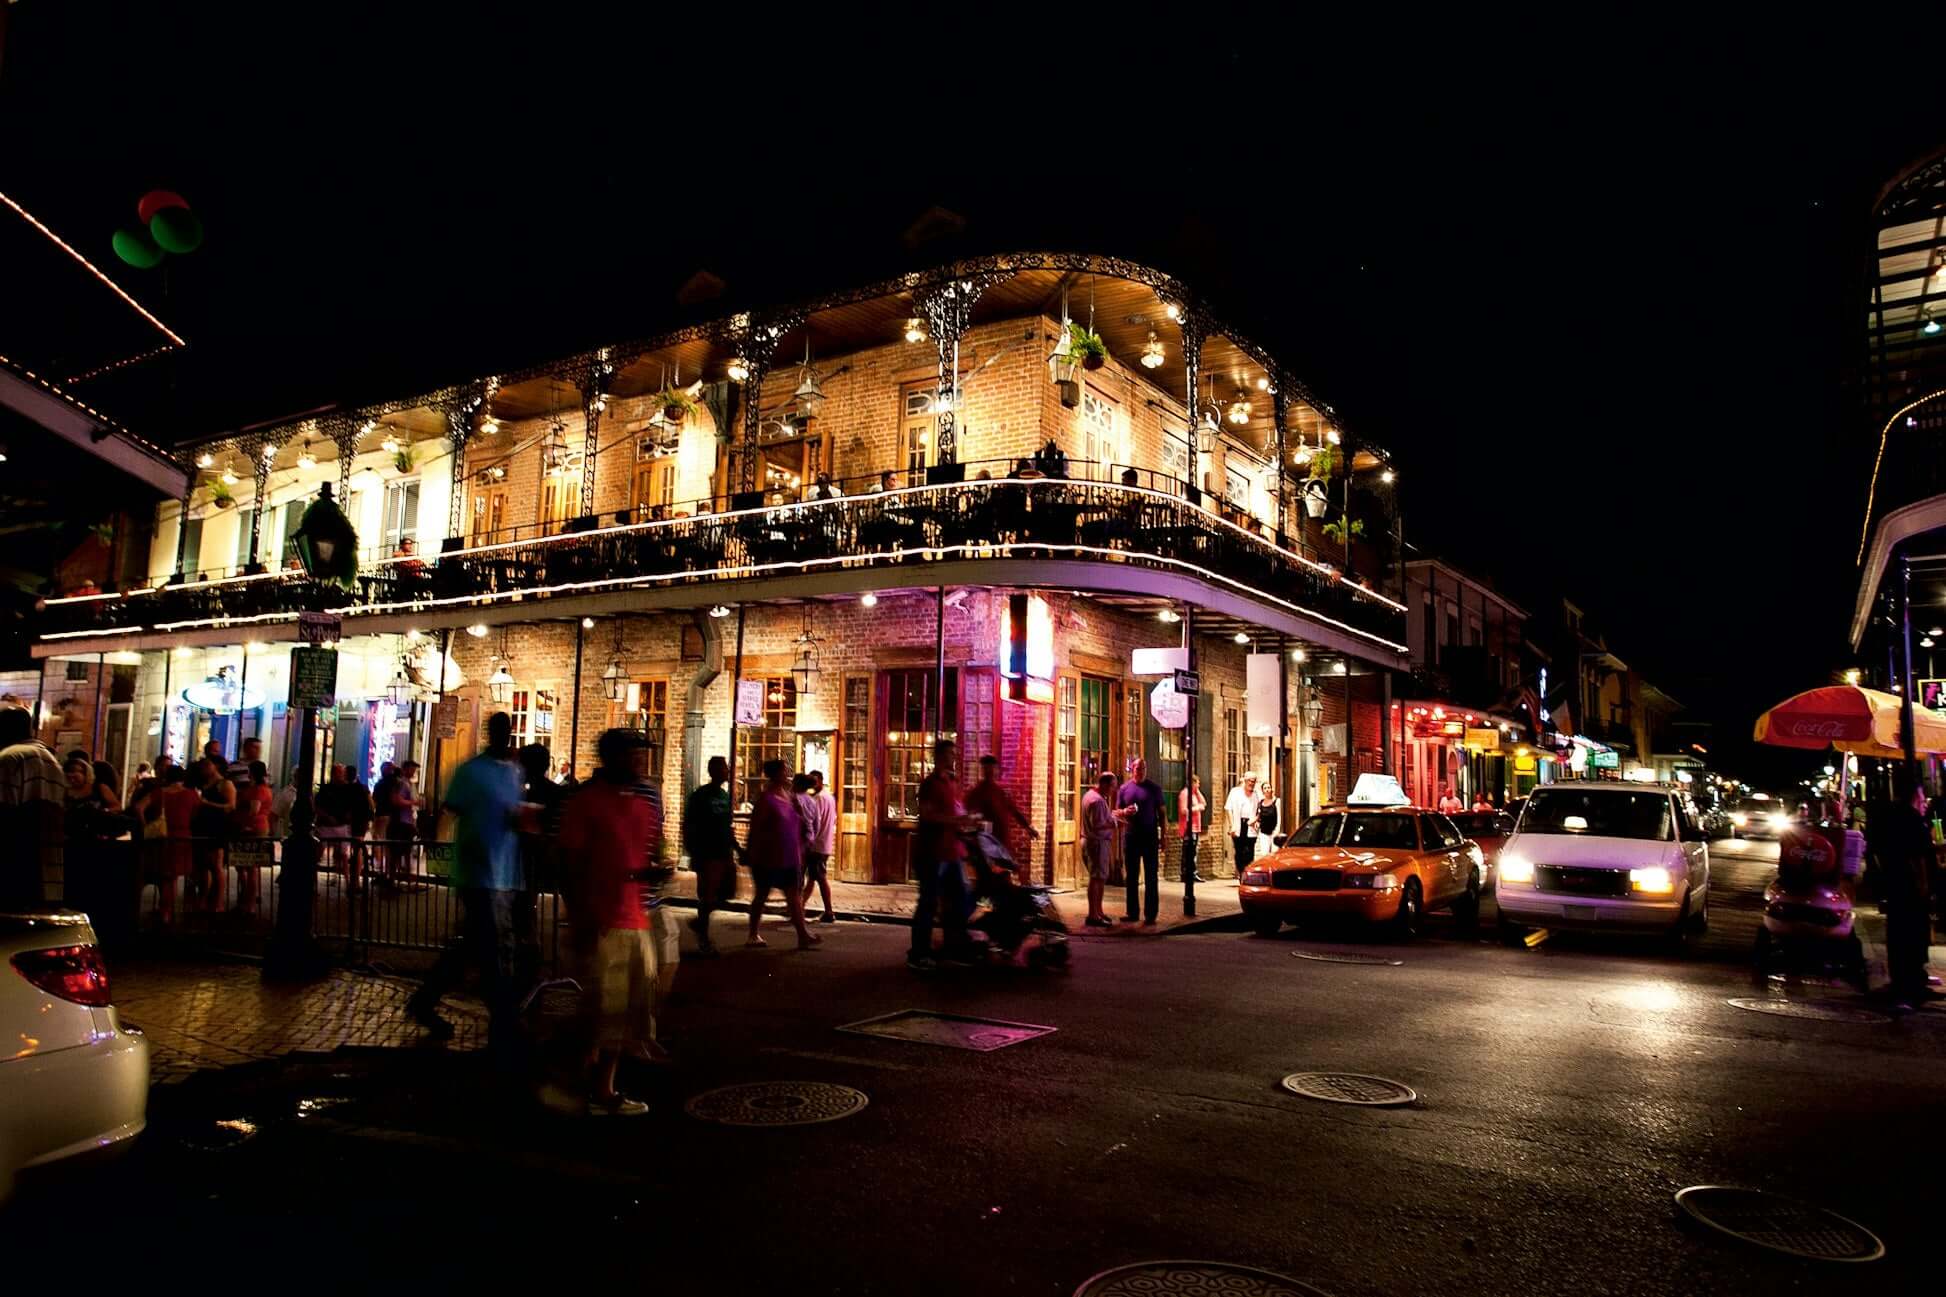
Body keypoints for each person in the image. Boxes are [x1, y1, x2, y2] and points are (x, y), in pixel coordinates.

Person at [408, 712, 526, 1065]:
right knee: (495, 950)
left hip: (506, 871)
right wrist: (438, 856)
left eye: (509, 730)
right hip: (479, 873)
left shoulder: (515, 772)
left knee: (473, 946)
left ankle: (424, 1002)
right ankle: (503, 1026)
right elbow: (450, 813)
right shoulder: (470, 771)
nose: (506, 735)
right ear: (493, 732)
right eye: (501, 730)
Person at [559, 728, 665, 1116]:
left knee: (626, 1011)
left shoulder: (644, 804)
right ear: (612, 757)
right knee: (604, 1009)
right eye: (634, 754)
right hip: (602, 918)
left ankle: (596, 1082)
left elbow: (643, 858)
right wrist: (581, 915)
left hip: (636, 916)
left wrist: (651, 874)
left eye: (643, 754)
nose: (641, 762)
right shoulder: (586, 802)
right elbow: (569, 864)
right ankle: (597, 1090)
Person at [1876, 775, 1941, 1011]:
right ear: (1916, 795)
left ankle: (1910, 984)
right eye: (1923, 796)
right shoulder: (1912, 820)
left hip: (1897, 887)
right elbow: (1918, 858)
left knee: (1903, 937)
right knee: (1911, 938)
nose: (1925, 801)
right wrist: (1924, 888)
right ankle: (1908, 988)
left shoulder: (1891, 816)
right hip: (1909, 890)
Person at [910, 739, 975, 971]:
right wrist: (956, 820)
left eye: (954, 753)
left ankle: (953, 945)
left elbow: (956, 810)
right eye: (949, 754)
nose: (953, 757)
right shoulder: (930, 784)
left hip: (953, 851)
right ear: (938, 756)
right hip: (933, 852)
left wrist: (967, 822)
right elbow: (927, 815)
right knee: (928, 902)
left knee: (961, 898)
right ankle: (919, 952)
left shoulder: (953, 782)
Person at [746, 759, 818, 950]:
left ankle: (803, 935)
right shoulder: (766, 798)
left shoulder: (788, 796)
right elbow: (757, 828)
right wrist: (752, 852)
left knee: (793, 896)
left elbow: (799, 822)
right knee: (761, 895)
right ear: (774, 774)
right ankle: (753, 934)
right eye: (783, 771)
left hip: (789, 855)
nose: (787, 775)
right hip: (769, 857)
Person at [682, 756, 741, 956]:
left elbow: (727, 826)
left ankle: (699, 922)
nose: (727, 772)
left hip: (724, 852)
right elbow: (689, 824)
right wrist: (693, 851)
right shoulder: (700, 796)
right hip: (707, 852)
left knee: (726, 893)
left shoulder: (725, 796)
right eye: (723, 768)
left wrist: (737, 849)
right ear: (714, 771)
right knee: (708, 894)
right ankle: (704, 938)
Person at [966, 755, 1039, 880]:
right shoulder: (977, 792)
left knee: (1001, 879)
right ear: (983, 770)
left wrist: (1028, 827)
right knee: (992, 880)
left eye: (992, 768)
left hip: (1001, 842)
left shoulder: (1000, 791)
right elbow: (966, 813)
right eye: (987, 768)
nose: (990, 771)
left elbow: (1014, 810)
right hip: (987, 845)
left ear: (996, 769)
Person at [1117, 757, 1166, 925]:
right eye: (1138, 769)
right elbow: (1117, 813)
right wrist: (1125, 812)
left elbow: (1162, 814)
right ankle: (1132, 912)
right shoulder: (1124, 789)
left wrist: (1163, 837)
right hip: (1131, 836)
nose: (1140, 772)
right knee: (1131, 876)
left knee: (1151, 876)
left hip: (1150, 836)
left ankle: (1151, 913)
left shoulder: (1154, 789)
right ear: (1132, 769)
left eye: (1143, 769)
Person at [191, 755, 235, 911]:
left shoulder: (225, 784)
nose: (204, 769)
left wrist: (208, 804)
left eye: (207, 765)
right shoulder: (205, 784)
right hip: (204, 827)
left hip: (217, 828)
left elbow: (230, 806)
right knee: (204, 865)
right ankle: (203, 898)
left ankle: (218, 902)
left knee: (216, 865)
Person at [229, 759, 273, 915]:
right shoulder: (260, 788)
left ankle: (250, 901)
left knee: (250, 866)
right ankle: (248, 898)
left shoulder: (258, 790)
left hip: (252, 828)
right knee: (245, 865)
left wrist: (244, 823)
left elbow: (254, 810)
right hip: (253, 827)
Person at [1081, 772, 1124, 927]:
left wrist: (1115, 815)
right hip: (1097, 843)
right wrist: (1116, 823)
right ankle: (1093, 915)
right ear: (1105, 784)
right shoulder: (1097, 801)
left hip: (1093, 841)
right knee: (1096, 879)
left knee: (1099, 878)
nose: (1114, 790)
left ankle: (1098, 912)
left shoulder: (1089, 795)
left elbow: (1101, 818)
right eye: (1113, 786)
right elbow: (1098, 824)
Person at [796, 770, 837, 924]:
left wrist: (808, 841)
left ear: (820, 780)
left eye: (814, 780)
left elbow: (815, 823)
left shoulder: (819, 798)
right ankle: (799, 907)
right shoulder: (829, 797)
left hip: (816, 845)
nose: (812, 783)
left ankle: (828, 911)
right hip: (824, 843)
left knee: (819, 877)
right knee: (813, 877)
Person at [1225, 772, 1263, 876]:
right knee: (1239, 851)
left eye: (1254, 781)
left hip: (1251, 825)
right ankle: (1242, 873)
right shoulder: (1235, 792)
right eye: (1250, 781)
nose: (1252, 783)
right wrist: (1232, 825)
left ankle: (1247, 874)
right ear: (1245, 781)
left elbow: (1262, 809)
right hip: (1238, 823)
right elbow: (1228, 808)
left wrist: (1256, 819)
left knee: (1249, 851)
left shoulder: (1257, 794)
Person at [1177, 773, 1207, 901]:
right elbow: (1184, 810)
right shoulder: (1185, 794)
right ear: (1192, 782)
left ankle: (1193, 873)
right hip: (1188, 827)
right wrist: (1197, 808)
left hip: (1196, 827)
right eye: (1197, 783)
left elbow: (1204, 803)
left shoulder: (1195, 794)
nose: (1198, 785)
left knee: (1193, 851)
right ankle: (1186, 874)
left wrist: (1198, 792)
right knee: (1188, 851)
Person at [1256, 784, 1281, 859]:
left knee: (1274, 854)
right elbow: (1258, 816)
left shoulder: (1276, 801)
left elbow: (1279, 816)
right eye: (1265, 788)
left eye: (1268, 788)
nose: (1267, 789)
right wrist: (1257, 823)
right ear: (1262, 791)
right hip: (1263, 832)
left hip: (1274, 831)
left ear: (1271, 789)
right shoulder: (1260, 803)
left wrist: (1277, 829)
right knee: (1264, 854)